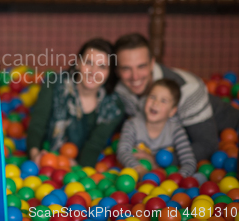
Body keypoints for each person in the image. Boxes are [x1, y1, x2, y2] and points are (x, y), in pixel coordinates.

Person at [114, 33, 239, 162]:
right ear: (117, 70)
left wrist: (158, 160)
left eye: (141, 66)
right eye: (126, 68)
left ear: (152, 63)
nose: (135, 77)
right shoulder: (120, 90)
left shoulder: (187, 89)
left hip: (230, 132)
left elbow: (208, 145)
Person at [27, 39, 125, 167]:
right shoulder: (54, 84)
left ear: (110, 73)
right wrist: (36, 156)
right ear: (78, 63)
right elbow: (37, 124)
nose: (93, 72)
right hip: (47, 158)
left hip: (76, 167)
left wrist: (79, 170)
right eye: (89, 63)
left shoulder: (113, 106)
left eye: (102, 66)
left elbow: (95, 145)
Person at [117, 79, 197, 177]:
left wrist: (177, 179)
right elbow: (122, 151)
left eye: (163, 101)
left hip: (167, 181)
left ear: (172, 111)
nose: (155, 103)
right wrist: (138, 169)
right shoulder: (132, 124)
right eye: (152, 97)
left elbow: (189, 162)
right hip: (136, 177)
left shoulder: (176, 130)